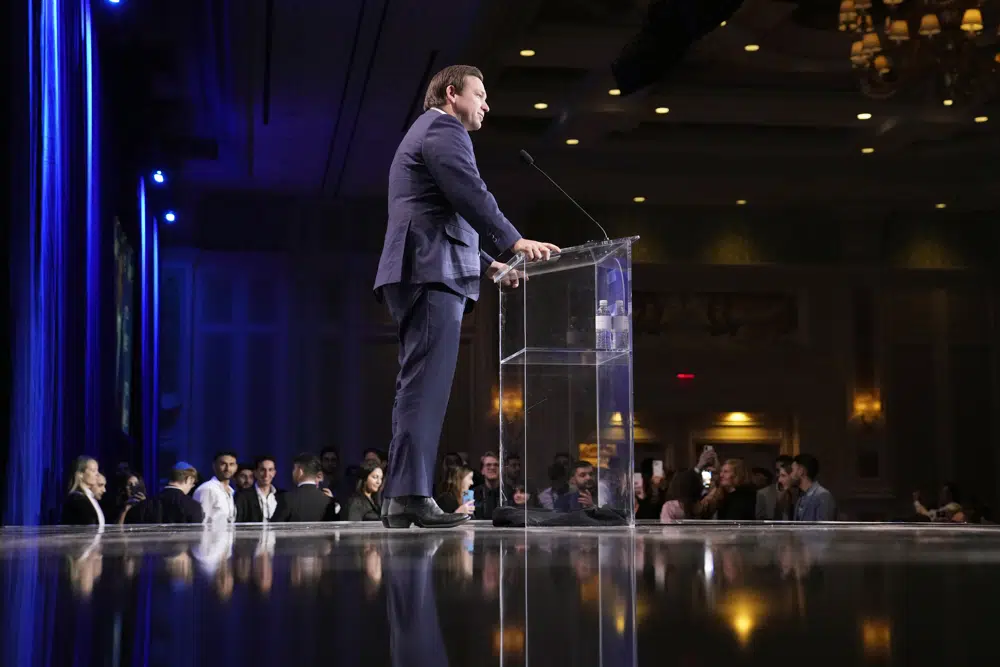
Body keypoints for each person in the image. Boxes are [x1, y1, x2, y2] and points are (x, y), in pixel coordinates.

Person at [373, 64, 560, 528]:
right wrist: (512, 241)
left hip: (424, 267)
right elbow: (468, 192)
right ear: (451, 94)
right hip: (430, 272)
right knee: (425, 389)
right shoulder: (444, 129)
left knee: (419, 387)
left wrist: (488, 263)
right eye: (479, 94)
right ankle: (409, 496)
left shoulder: (426, 132)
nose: (486, 104)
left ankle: (403, 496)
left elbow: (439, 213)